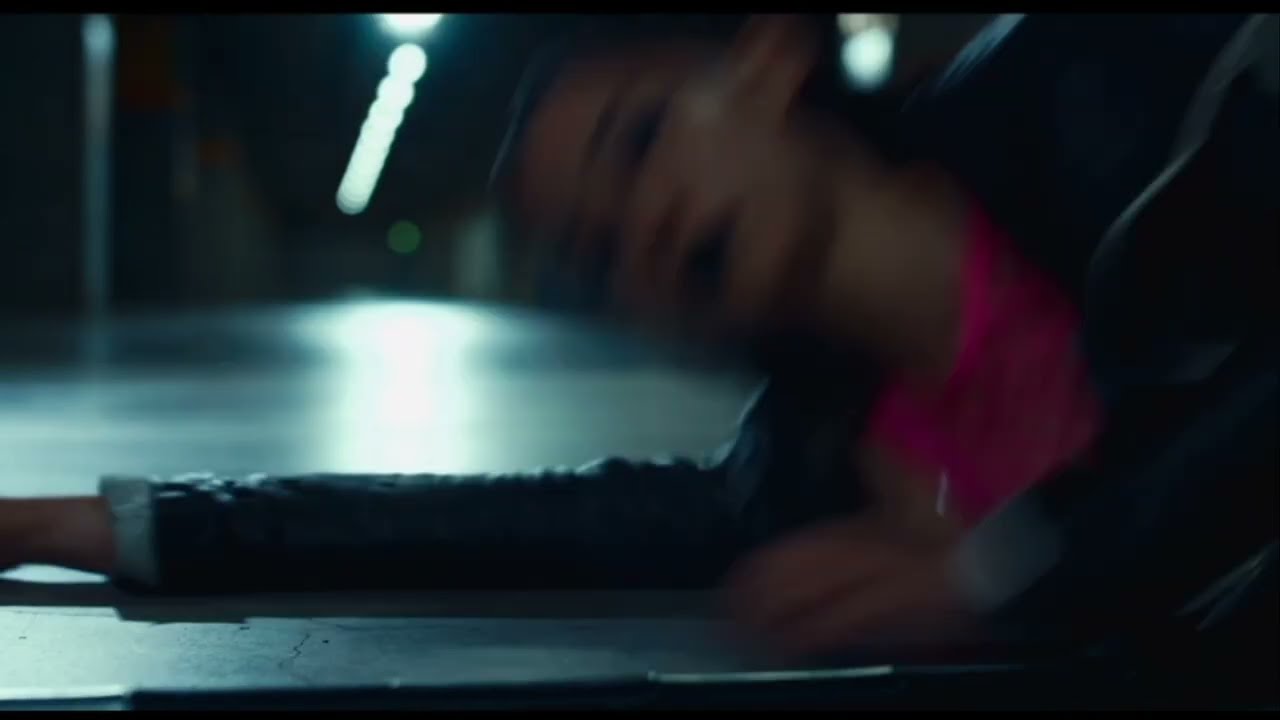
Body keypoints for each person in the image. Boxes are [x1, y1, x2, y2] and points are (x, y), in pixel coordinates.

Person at [1, 14, 1274, 662]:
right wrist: (77, 525)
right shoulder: (805, 482)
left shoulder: (1114, 97)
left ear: (765, 64)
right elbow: (487, 528)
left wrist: (1010, 575)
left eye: (641, 140)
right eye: (598, 249)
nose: (643, 223)